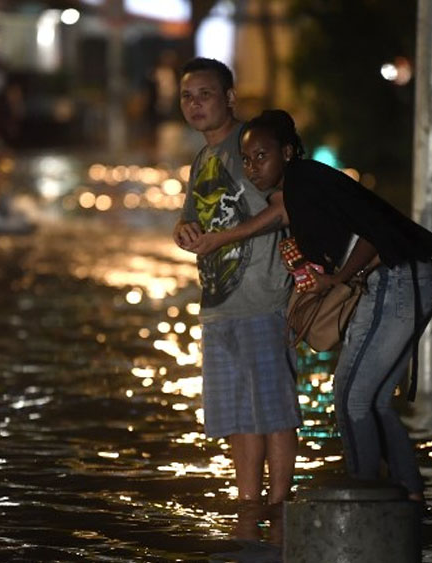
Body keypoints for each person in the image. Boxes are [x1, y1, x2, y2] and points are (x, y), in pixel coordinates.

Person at [209, 108, 432, 503]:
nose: (252, 167)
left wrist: (337, 279)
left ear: (286, 152)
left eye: (261, 156)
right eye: (247, 159)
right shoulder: (305, 187)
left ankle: (365, 500)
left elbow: (371, 235)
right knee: (372, 400)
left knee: (350, 397)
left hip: (397, 279)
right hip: (407, 279)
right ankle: (410, 498)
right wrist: (314, 268)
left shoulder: (306, 183)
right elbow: (349, 237)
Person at [172, 58, 300, 508]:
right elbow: (193, 213)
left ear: (229, 97)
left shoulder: (253, 143)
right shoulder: (203, 157)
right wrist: (182, 229)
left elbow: (286, 207)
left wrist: (226, 237)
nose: (195, 104)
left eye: (205, 94)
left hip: (264, 298)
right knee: (236, 418)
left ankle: (279, 509)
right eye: (187, 96)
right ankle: (248, 508)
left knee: (274, 411)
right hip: (218, 304)